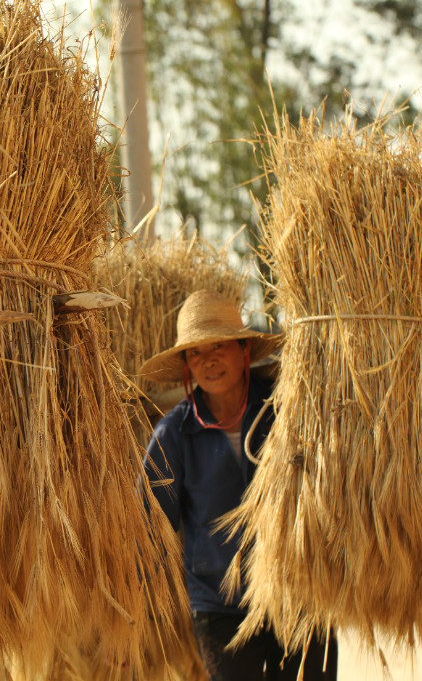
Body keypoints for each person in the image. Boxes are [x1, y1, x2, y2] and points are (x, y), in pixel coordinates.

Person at [140, 289, 338, 681]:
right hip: (219, 606)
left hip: (300, 596)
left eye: (219, 346)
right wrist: (137, 623)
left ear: (244, 350)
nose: (209, 360)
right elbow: (149, 530)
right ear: (186, 365)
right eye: (196, 352)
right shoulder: (173, 435)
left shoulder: (287, 412)